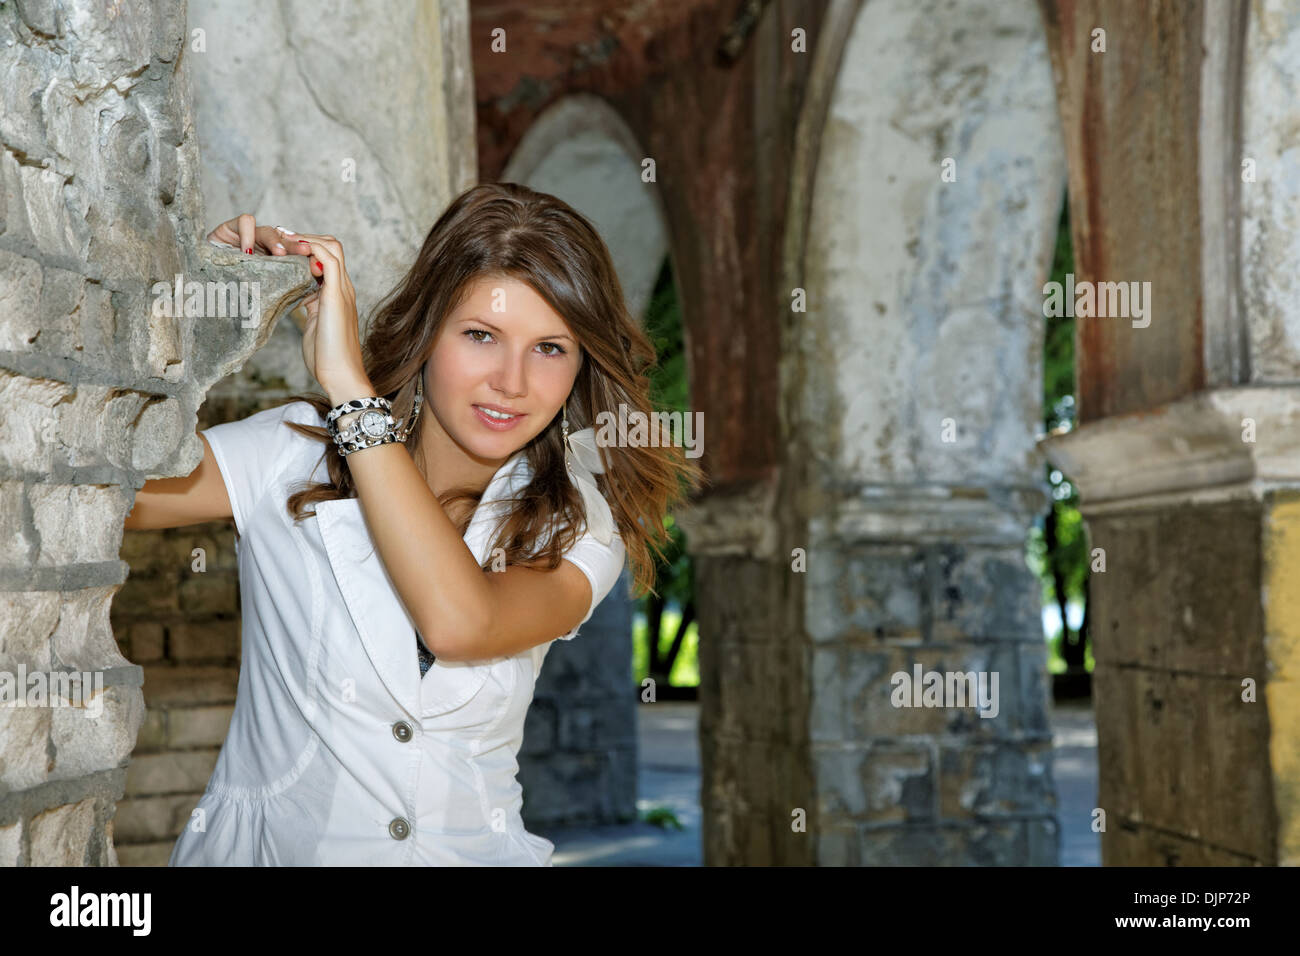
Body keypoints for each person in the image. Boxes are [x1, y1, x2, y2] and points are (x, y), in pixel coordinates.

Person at [125, 182, 704, 865]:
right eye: (481, 336)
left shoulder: (579, 523)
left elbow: (460, 624)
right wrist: (193, 317)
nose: (512, 382)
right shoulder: (291, 450)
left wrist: (352, 392)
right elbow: (97, 489)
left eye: (550, 348)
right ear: (428, 331)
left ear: (582, 365)